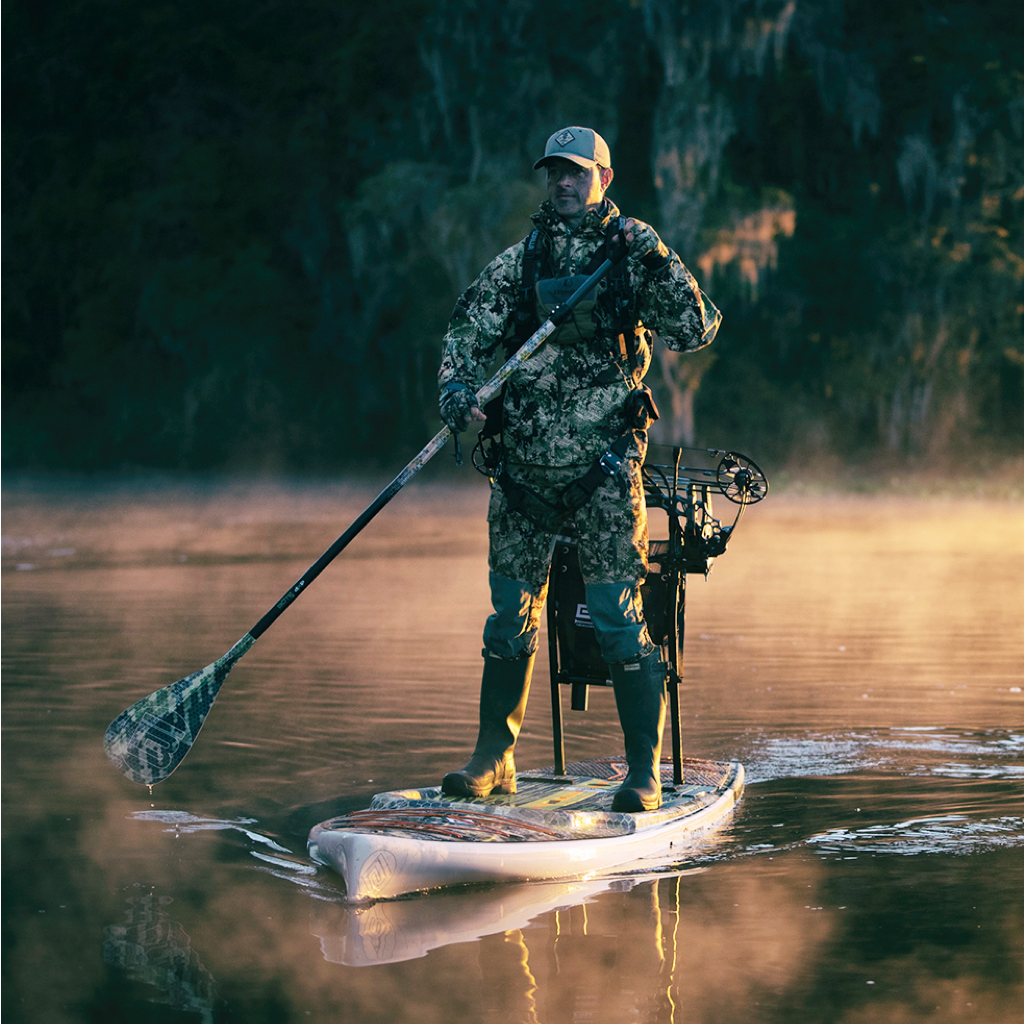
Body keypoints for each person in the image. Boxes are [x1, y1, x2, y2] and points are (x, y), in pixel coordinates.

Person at [437, 126, 720, 812]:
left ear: (604, 178)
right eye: (554, 172)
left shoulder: (633, 256)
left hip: (604, 473)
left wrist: (656, 256)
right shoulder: (520, 262)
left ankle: (643, 773)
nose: (563, 183)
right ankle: (493, 759)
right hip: (521, 476)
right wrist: (456, 391)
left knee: (618, 618)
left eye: (577, 172)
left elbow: (697, 328)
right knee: (508, 617)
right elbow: (465, 332)